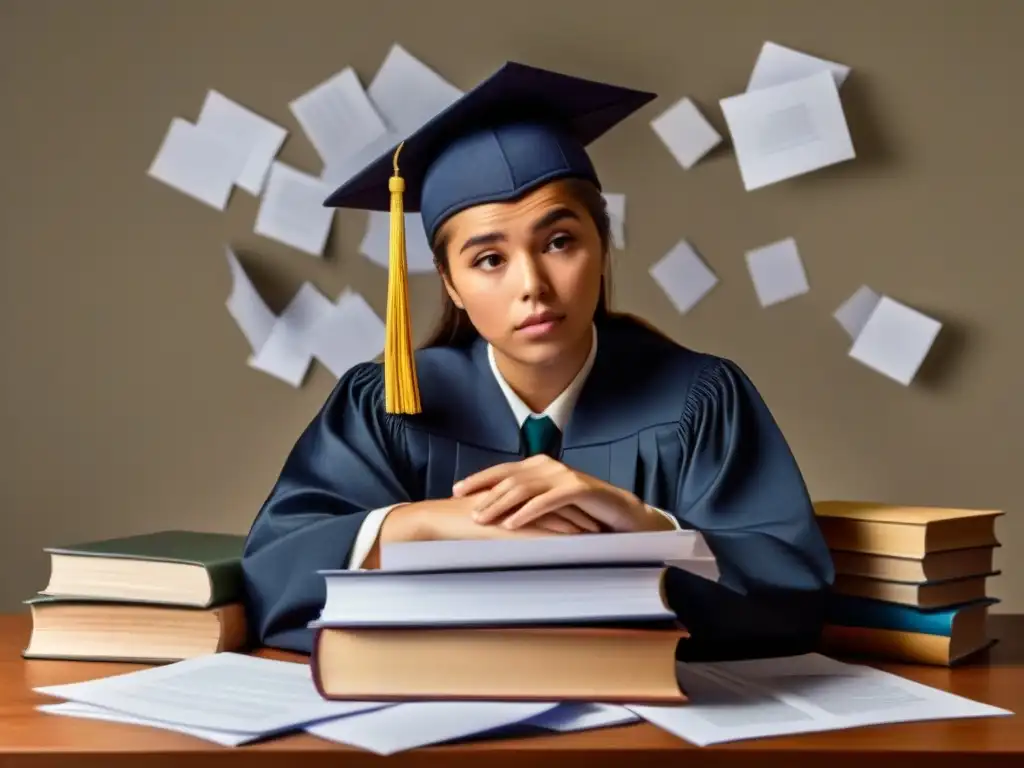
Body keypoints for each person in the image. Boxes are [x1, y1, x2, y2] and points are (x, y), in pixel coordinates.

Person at [240, 61, 835, 659]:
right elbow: (275, 576)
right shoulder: (388, 405)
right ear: (449, 283)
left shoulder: (700, 399)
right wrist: (425, 524)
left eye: (558, 242)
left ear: (602, 246)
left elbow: (792, 597)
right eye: (489, 260)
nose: (533, 285)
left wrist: (642, 524)